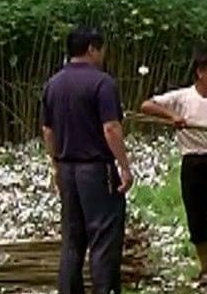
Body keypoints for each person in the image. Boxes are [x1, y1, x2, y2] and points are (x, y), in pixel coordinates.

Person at [140, 48, 207, 287]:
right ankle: (205, 269)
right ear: (200, 72)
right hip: (193, 163)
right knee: (197, 218)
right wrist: (171, 116)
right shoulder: (182, 98)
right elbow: (146, 106)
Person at [41, 27, 133, 294]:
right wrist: (124, 168)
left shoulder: (53, 84)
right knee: (104, 237)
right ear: (92, 48)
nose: (103, 55)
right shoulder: (102, 83)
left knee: (72, 239)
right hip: (95, 169)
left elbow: (48, 131)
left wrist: (56, 165)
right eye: (101, 49)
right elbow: (111, 128)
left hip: (67, 168)